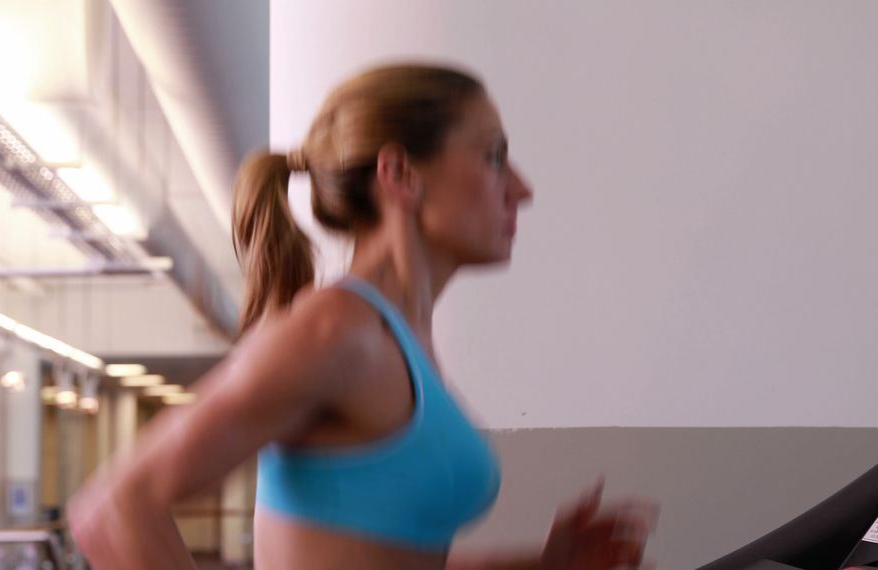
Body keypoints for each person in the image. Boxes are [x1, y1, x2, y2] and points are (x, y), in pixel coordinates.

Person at [67, 63, 657, 570]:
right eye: (495, 157)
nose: (522, 189)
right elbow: (114, 509)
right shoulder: (336, 331)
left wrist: (542, 564)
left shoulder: (398, 338)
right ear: (400, 176)